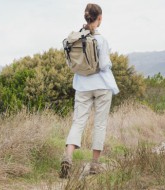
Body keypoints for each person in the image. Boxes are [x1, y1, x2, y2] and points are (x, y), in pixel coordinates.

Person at [60, 3, 119, 178]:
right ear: (99, 18)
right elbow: (103, 64)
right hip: (102, 86)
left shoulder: (76, 38)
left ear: (86, 18)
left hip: (82, 85)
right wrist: (110, 62)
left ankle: (68, 157)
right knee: (99, 124)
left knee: (78, 122)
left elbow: (71, 63)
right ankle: (94, 165)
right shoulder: (101, 40)